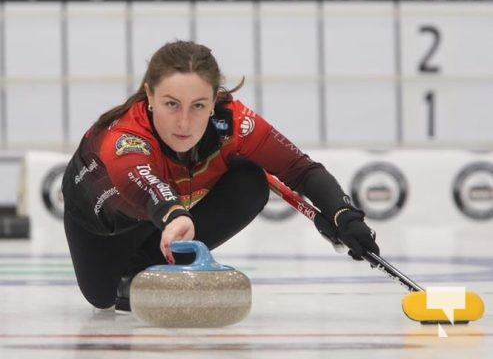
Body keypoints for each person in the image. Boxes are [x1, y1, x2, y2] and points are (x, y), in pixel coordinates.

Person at [62, 40, 380, 312]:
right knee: (103, 298)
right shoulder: (125, 136)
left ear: (215, 100)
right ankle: (139, 267)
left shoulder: (235, 122)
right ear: (149, 95)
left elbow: (300, 169)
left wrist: (345, 215)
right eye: (171, 104)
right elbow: (143, 182)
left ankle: (146, 268)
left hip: (172, 213)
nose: (184, 123)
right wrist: (175, 215)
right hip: (108, 226)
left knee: (250, 181)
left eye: (198, 105)